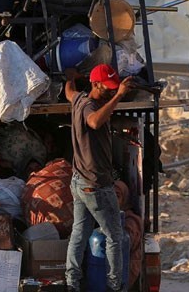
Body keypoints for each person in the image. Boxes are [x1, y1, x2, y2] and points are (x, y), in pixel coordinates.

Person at [64, 64, 134, 292]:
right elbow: (94, 121)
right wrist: (120, 98)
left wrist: (72, 77)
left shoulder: (77, 99)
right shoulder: (89, 106)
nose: (112, 91)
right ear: (95, 84)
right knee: (114, 236)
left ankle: (72, 283)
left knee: (79, 232)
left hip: (79, 182)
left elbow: (68, 90)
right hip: (95, 185)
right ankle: (115, 286)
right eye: (108, 88)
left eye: (115, 88)